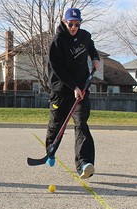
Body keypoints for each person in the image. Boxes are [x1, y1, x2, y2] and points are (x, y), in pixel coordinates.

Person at [45, 8, 100, 179]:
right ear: (64, 21)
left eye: (77, 24)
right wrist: (73, 87)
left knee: (81, 123)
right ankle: (50, 151)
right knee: (56, 124)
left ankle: (84, 163)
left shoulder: (84, 36)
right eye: (71, 24)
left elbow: (90, 46)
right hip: (61, 90)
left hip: (81, 89)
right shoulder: (57, 41)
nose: (74, 27)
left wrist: (95, 58)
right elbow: (58, 69)